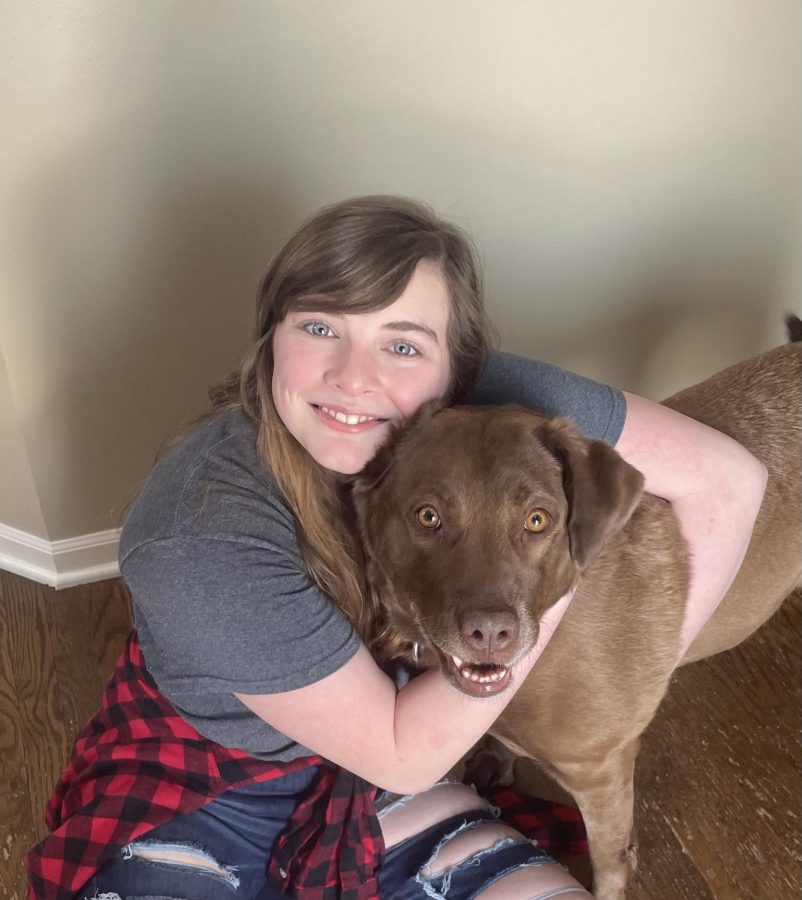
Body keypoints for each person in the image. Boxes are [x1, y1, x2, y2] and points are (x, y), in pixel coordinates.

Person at [27, 196, 767, 900]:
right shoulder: (202, 540)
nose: (357, 377)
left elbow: (729, 478)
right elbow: (402, 748)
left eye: (403, 343)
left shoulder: (491, 407)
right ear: (269, 339)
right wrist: (553, 580)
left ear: (458, 370)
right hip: (209, 786)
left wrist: (638, 677)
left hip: (376, 783)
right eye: (319, 328)